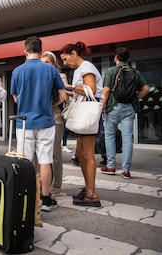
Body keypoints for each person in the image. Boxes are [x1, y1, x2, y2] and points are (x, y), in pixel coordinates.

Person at [11, 37, 66, 212]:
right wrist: (47, 106)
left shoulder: (17, 71)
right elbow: (63, 95)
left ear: (25, 51)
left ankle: (25, 198)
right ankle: (46, 199)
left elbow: (15, 97)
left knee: (25, 162)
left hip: (24, 123)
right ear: (41, 51)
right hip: (46, 121)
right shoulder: (50, 69)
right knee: (45, 160)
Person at [60, 41, 103, 207]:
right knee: (80, 153)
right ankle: (88, 189)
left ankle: (92, 194)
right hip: (83, 112)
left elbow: (90, 89)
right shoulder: (80, 69)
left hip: (87, 113)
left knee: (87, 154)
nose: (65, 63)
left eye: (65, 59)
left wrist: (67, 86)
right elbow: (83, 91)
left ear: (73, 53)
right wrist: (68, 91)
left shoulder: (86, 67)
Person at [100, 47, 150, 179]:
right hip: (129, 108)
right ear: (127, 59)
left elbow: (106, 90)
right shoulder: (135, 72)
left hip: (113, 106)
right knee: (128, 139)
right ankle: (126, 170)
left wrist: (102, 105)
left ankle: (110, 166)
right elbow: (146, 89)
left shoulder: (111, 71)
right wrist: (135, 97)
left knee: (110, 136)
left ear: (116, 58)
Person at [40, 51, 70, 195]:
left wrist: (50, 105)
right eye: (42, 62)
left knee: (55, 154)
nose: (44, 65)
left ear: (53, 63)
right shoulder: (39, 76)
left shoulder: (60, 76)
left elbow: (63, 96)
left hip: (56, 116)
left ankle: (57, 185)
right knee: (41, 154)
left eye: (47, 62)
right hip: (42, 116)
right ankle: (43, 183)